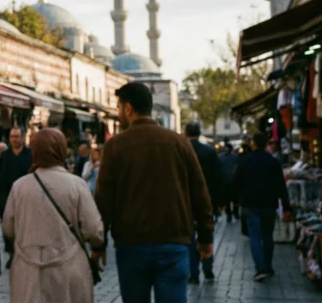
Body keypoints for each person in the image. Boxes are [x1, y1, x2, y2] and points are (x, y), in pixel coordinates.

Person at [94, 83, 214, 303]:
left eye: (119, 107)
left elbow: (104, 200)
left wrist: (98, 244)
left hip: (132, 245)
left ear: (128, 108)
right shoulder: (179, 142)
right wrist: (206, 237)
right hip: (174, 241)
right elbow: (199, 192)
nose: (119, 113)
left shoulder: (115, 147)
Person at [2, 128, 104, 302]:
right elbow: (94, 230)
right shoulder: (77, 185)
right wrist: (96, 250)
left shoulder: (19, 186)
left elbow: (8, 229)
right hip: (69, 269)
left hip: (28, 272)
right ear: (62, 150)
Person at [233, 132, 293, 282]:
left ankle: (260, 268)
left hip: (250, 204)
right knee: (267, 237)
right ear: (266, 144)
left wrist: (235, 200)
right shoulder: (273, 162)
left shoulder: (245, 161)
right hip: (269, 204)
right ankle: (268, 266)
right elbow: (281, 186)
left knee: (254, 236)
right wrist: (286, 207)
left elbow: (235, 182)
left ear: (253, 143)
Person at [184, 121, 224, 285]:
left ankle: (193, 273)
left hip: (186, 201)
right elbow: (218, 178)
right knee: (206, 233)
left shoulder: (183, 151)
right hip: (207, 200)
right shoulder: (209, 152)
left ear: (186, 133)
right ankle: (208, 269)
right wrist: (220, 201)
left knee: (190, 238)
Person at [0, 127, 32, 268]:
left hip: (26, 198)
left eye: (17, 136)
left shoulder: (30, 154)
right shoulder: (4, 155)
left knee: (24, 227)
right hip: (7, 197)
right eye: (12, 137)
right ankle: (11, 254)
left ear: (23, 137)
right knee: (8, 228)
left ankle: (23, 254)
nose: (14, 139)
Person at [218, 143, 240, 222]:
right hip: (230, 181)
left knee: (232, 199)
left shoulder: (221, 157)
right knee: (232, 199)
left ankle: (232, 213)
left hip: (228, 181)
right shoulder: (235, 157)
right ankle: (232, 213)